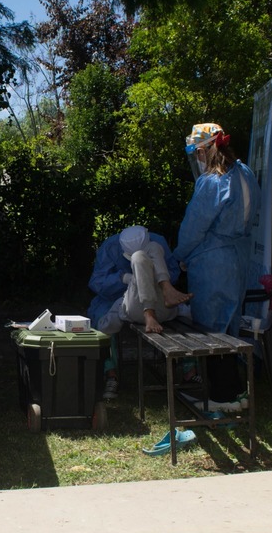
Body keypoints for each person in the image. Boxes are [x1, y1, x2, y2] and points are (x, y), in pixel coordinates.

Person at [174, 123, 260, 409]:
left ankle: (220, 398)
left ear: (203, 150)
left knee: (211, 332)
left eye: (196, 154)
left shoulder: (212, 180)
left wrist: (179, 256)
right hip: (239, 259)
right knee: (230, 330)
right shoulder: (244, 172)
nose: (196, 160)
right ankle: (236, 393)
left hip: (212, 262)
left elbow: (194, 227)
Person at [88, 225, 192, 399]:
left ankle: (190, 370)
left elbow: (173, 271)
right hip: (124, 297)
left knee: (149, 253)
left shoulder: (157, 243)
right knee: (100, 315)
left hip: (160, 298)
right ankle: (110, 374)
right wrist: (123, 278)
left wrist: (150, 277)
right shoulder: (110, 246)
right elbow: (98, 282)